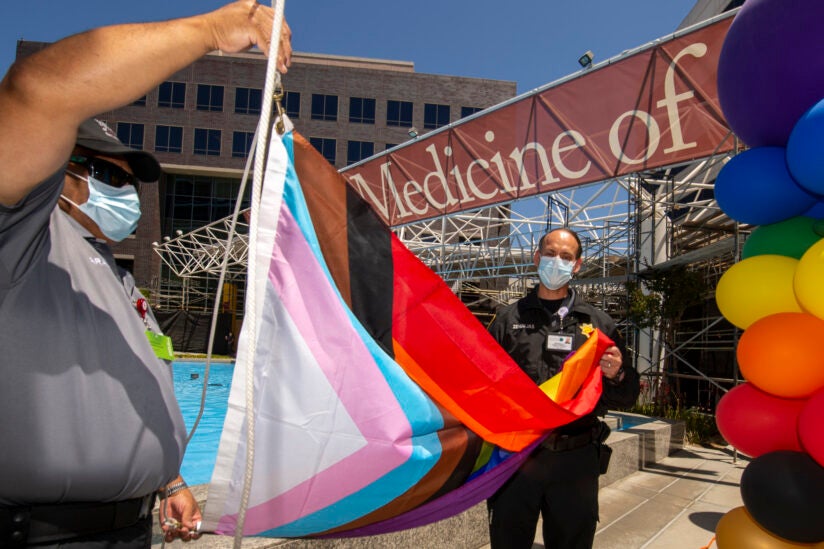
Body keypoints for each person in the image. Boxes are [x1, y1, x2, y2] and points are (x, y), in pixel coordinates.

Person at [0, 2, 291, 546]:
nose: (126, 191)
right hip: (44, 534)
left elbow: (130, 380)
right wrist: (206, 32)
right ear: (56, 169)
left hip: (130, 528)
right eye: (110, 172)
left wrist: (168, 477)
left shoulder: (109, 272)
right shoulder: (17, 238)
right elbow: (35, 89)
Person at [487, 228, 640, 549]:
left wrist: (617, 375)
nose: (557, 261)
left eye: (566, 257)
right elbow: (485, 387)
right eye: (550, 253)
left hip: (576, 460)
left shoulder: (598, 324)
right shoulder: (507, 320)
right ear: (536, 258)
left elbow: (627, 396)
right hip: (517, 460)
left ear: (578, 265)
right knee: (508, 540)